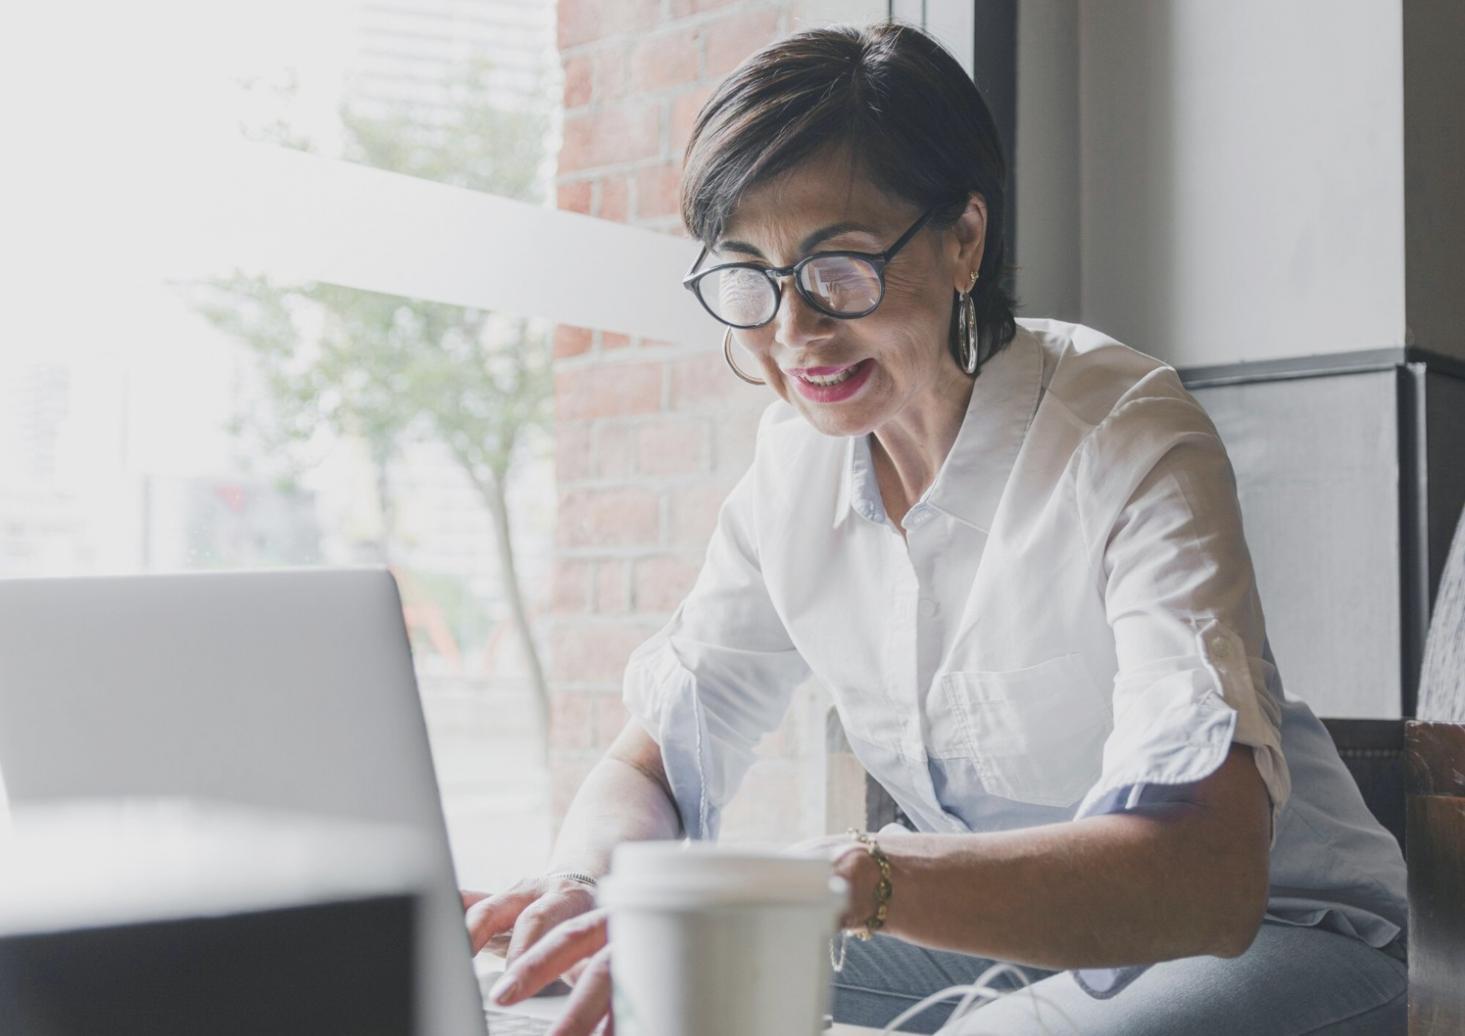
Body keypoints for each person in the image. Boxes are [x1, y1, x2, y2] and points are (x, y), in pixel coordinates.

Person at [465, 22, 1409, 1035]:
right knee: (639, 978)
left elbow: (1204, 877)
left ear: (964, 238)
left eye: (839, 265)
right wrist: (584, 881)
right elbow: (648, 762)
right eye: (749, 274)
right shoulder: (791, 472)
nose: (793, 332)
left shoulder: (1125, 435)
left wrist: (852, 872)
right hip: (1005, 945)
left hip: (1274, 933)